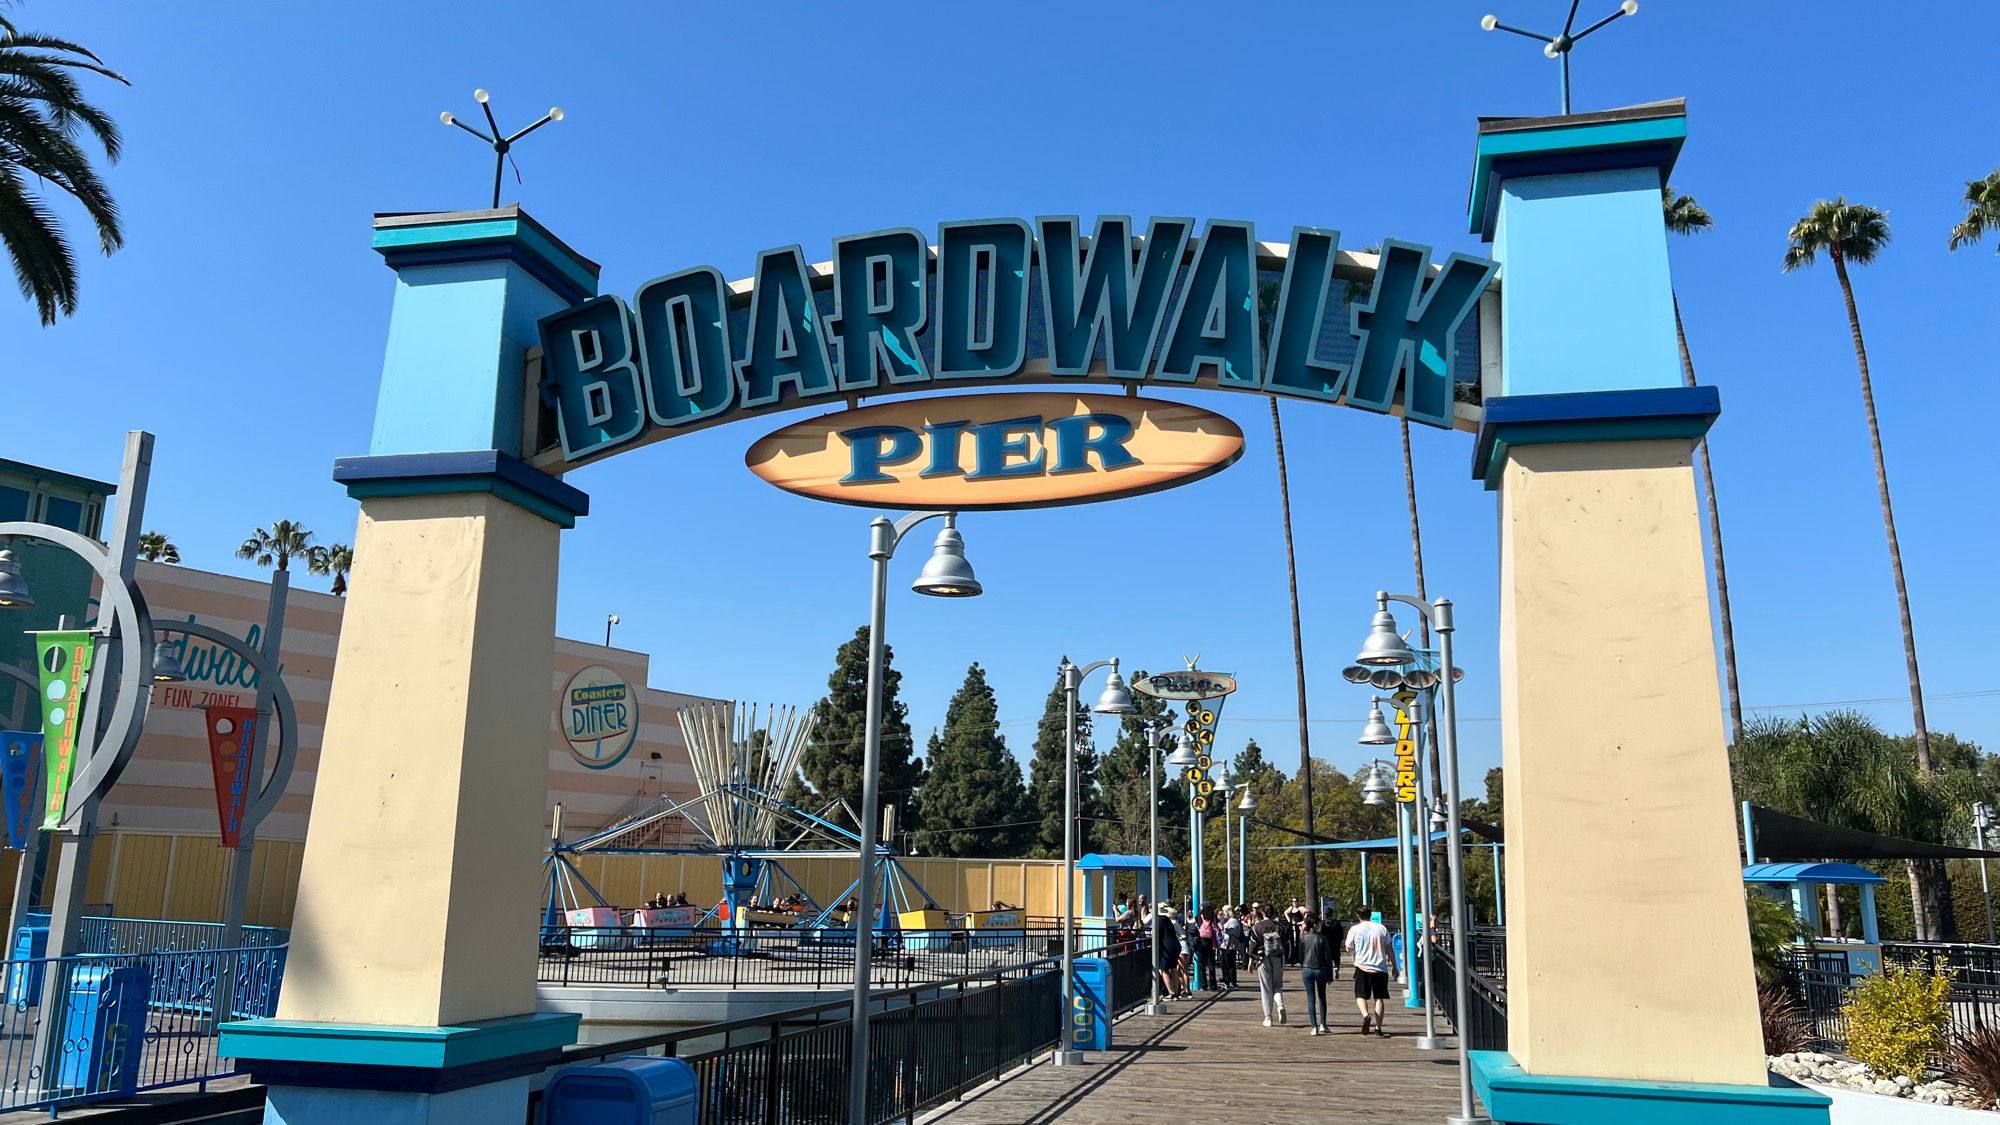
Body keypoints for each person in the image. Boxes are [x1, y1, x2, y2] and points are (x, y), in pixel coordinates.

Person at [1345, 910, 1395, 1036]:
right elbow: (1390, 949)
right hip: (1380, 968)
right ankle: (1378, 1028)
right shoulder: (1381, 929)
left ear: (1358, 916)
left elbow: (1348, 948)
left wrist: (1354, 951)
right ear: (1370, 915)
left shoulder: (1355, 929)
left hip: (1362, 967)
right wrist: (1395, 966)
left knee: (1360, 995)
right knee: (1379, 998)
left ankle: (1366, 1015)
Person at [1250, 906, 1289, 1026]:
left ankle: (1268, 1017)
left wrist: (1252, 961)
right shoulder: (1280, 927)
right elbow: (1287, 943)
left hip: (1263, 959)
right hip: (1278, 958)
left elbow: (1252, 947)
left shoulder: (1257, 927)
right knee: (1277, 985)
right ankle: (1280, 1005)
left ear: (1263, 913)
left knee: (1266, 989)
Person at [1298, 915, 1334, 1035]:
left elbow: (1301, 955)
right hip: (1320, 969)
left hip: (1307, 969)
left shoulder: (1303, 938)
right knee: (1322, 997)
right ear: (1314, 925)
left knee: (1310, 998)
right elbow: (1328, 958)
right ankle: (1323, 1024)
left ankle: (1314, 1026)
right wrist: (1330, 975)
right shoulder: (1322, 938)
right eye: (1319, 923)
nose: (1320, 925)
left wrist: (1303, 966)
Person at [1154, 903, 1183, 1000]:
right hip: (1175, 945)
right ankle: (1176, 992)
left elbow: (1156, 935)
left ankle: (1171, 992)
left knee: (1164, 969)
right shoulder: (1167, 920)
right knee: (1173, 968)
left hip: (1167, 947)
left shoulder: (1160, 920)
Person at [1192, 904, 1220, 995]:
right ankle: (1213, 985)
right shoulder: (1213, 916)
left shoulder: (1199, 916)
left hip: (1201, 942)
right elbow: (1221, 926)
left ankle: (1203, 985)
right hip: (1211, 942)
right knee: (1211, 964)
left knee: (1201, 965)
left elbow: (1190, 923)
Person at [1220, 905, 1245, 988]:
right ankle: (1227, 981)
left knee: (1229, 964)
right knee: (1224, 964)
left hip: (1230, 946)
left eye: (1224, 912)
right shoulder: (1228, 921)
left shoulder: (1233, 921)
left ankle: (1231, 981)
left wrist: (1228, 947)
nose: (1223, 914)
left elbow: (1232, 935)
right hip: (1225, 945)